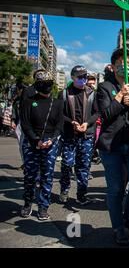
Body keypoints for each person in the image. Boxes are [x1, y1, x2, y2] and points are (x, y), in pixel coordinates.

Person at [96, 48, 129, 246]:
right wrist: (119, 98)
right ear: (113, 65)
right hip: (112, 147)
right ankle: (118, 227)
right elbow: (105, 115)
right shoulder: (104, 87)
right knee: (116, 188)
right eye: (120, 61)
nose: (125, 65)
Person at [19, 70, 63, 220]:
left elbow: (59, 124)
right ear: (37, 85)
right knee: (30, 175)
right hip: (32, 143)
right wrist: (35, 139)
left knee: (47, 176)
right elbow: (25, 124)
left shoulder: (57, 103)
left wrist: (52, 139)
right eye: (43, 84)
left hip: (50, 143)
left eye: (49, 83)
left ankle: (43, 206)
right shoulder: (28, 101)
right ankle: (27, 203)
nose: (47, 87)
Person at [59, 65, 98, 205]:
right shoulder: (64, 93)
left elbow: (97, 113)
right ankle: (64, 190)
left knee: (84, 166)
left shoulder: (92, 93)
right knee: (67, 164)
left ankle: (82, 194)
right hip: (69, 136)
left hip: (86, 136)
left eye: (85, 76)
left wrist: (87, 123)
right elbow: (59, 114)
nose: (83, 79)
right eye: (80, 77)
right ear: (73, 77)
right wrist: (71, 122)